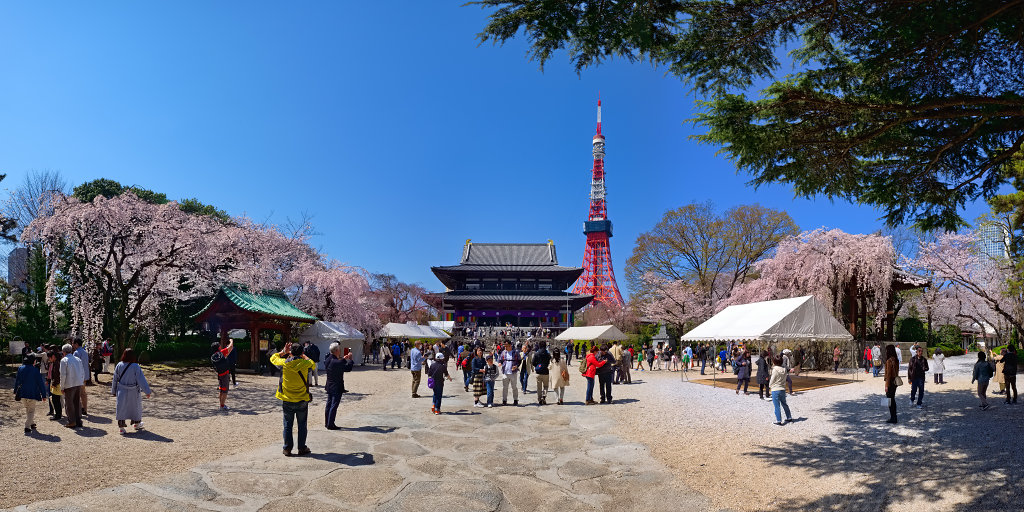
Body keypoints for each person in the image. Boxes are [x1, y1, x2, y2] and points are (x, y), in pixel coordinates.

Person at [270, 343, 315, 456]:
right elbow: (313, 364)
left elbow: (273, 358)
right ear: (302, 352)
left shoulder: (284, 364)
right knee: (302, 425)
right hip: (302, 399)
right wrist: (304, 356)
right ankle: (302, 447)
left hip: (287, 398)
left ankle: (287, 448)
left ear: (290, 353)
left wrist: (283, 352)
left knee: (287, 425)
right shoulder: (305, 363)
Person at [110, 348, 152, 435]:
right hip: (133, 391)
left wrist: (113, 391)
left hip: (121, 390)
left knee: (121, 408)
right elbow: (141, 380)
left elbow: (115, 379)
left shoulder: (119, 365)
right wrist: (147, 391)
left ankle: (121, 428)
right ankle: (136, 424)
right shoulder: (135, 366)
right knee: (135, 407)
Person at [323, 343, 353, 430]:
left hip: (329, 384)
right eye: (339, 349)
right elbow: (348, 368)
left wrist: (343, 359)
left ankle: (327, 422)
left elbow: (337, 363)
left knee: (329, 405)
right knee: (334, 405)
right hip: (337, 386)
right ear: (336, 350)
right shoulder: (337, 361)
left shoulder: (328, 358)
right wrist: (350, 360)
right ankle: (331, 424)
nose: (340, 351)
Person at [14, 354, 47, 434]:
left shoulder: (20, 368)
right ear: (33, 361)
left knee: (28, 409)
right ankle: (27, 426)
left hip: (22, 392)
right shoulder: (35, 370)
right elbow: (40, 383)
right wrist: (44, 395)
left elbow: (17, 381)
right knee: (31, 410)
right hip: (32, 392)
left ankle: (31, 423)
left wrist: (15, 390)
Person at [59, 343, 85, 428]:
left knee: (69, 403)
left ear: (63, 352)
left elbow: (63, 375)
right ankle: (78, 420)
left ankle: (72, 421)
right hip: (78, 383)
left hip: (69, 384)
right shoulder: (77, 359)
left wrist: (62, 386)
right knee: (77, 402)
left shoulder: (64, 360)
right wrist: (81, 381)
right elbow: (82, 372)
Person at [768, 355, 793, 425]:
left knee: (777, 406)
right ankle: (789, 417)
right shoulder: (784, 370)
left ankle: (779, 420)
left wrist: (770, 386)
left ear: (774, 362)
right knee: (784, 404)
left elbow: (772, 379)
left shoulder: (775, 370)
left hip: (775, 389)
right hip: (782, 388)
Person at [212, 339, 234, 411]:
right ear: (218, 347)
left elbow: (229, 351)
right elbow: (230, 347)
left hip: (220, 374)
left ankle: (221, 404)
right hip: (225, 375)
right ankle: (222, 406)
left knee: (221, 390)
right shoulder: (221, 353)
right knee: (225, 391)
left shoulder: (214, 356)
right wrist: (231, 341)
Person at [72, 340, 91, 415]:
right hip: (85, 375)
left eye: (73, 343)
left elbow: (74, 365)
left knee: (77, 393)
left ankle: (79, 409)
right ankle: (84, 408)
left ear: (76, 344)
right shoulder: (85, 352)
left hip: (78, 375)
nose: (73, 345)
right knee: (83, 393)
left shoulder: (76, 353)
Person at [499, 340, 521, 405]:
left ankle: (515, 399)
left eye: (506, 346)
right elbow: (500, 360)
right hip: (505, 372)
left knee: (514, 387)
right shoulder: (503, 352)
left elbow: (519, 361)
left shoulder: (516, 352)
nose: (505, 347)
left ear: (510, 345)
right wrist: (500, 363)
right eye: (505, 346)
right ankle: (504, 400)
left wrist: (516, 366)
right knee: (505, 387)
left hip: (513, 373)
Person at [884, 345, 900, 423]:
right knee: (892, 399)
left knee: (889, 399)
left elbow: (888, 374)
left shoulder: (889, 361)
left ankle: (893, 417)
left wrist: (886, 385)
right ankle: (894, 416)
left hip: (890, 381)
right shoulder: (896, 360)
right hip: (895, 381)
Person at [46, 351, 63, 421]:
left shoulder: (56, 364)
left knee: (55, 400)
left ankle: (57, 415)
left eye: (49, 358)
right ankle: (58, 414)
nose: (49, 360)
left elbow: (56, 375)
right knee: (57, 400)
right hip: (57, 384)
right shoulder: (57, 362)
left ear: (53, 357)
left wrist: (53, 384)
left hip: (56, 384)